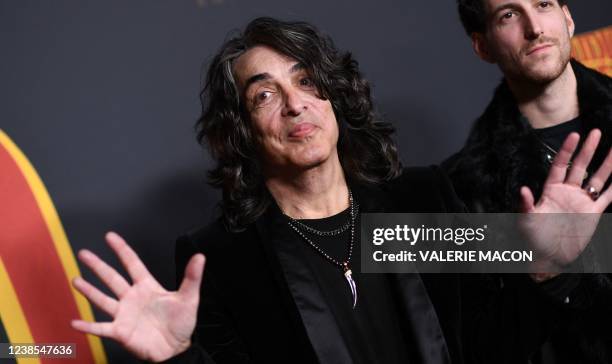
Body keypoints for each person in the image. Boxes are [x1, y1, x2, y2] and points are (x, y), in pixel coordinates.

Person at [71, 17, 612, 363]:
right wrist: (177, 357)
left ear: (334, 98)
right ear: (241, 130)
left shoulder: (422, 200)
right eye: (264, 95)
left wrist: (545, 268)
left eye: (307, 82)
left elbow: (494, 347)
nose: (294, 103)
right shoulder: (219, 257)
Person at [443, 0, 612, 363]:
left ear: (567, 18)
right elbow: (481, 347)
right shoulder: (464, 189)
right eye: (508, 15)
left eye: (543, 4)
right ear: (483, 46)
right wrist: (545, 270)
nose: (534, 27)